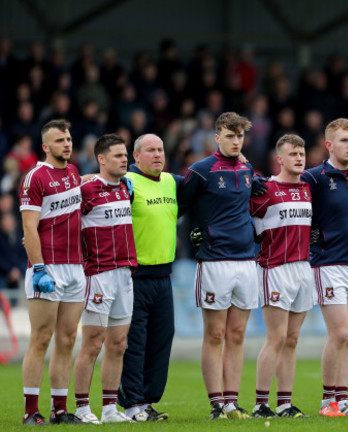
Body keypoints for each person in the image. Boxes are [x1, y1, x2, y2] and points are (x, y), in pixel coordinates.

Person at [178, 112, 258, 420]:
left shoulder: (249, 169)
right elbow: (182, 206)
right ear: (217, 137)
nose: (235, 141)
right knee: (214, 335)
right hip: (214, 260)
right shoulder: (201, 171)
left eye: (239, 136)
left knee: (237, 334)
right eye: (230, 135)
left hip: (247, 260)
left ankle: (232, 404)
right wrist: (194, 234)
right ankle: (216, 404)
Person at [301, 118, 348, 417]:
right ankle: (326, 402)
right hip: (328, 264)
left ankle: (342, 401)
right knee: (340, 333)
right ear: (329, 144)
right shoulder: (314, 177)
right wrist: (315, 241)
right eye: (344, 140)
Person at [20, 119, 84, 425]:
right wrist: (39, 267)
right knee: (41, 337)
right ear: (46, 146)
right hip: (48, 267)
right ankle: (31, 411)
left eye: (68, 139)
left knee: (68, 339)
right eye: (60, 140)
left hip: (75, 267)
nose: (67, 144)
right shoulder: (35, 177)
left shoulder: (73, 172)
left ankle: (60, 409)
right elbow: (29, 228)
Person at [118, 133, 182, 421]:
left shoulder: (171, 182)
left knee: (161, 339)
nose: (157, 155)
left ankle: (146, 401)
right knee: (135, 342)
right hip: (135, 276)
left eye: (161, 150)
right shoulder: (127, 184)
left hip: (164, 275)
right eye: (150, 150)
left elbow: (204, 184)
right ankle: (132, 404)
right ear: (136, 157)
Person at [73, 134, 137, 423]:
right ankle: (82, 408)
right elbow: (59, 216)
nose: (125, 160)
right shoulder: (85, 189)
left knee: (118, 343)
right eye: (118, 156)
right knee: (93, 342)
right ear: (101, 159)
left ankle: (110, 409)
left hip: (125, 272)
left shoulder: (126, 186)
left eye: (125, 155)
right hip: (98, 273)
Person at [249, 134, 313, 418]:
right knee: (276, 338)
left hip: (302, 267)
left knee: (292, 339)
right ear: (280, 159)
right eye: (293, 154)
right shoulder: (264, 190)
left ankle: (285, 404)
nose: (299, 158)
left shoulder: (308, 189)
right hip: (274, 267)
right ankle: (261, 404)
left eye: (302, 153)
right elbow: (245, 221)